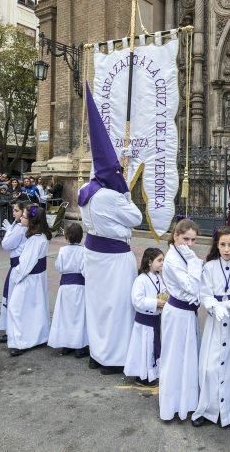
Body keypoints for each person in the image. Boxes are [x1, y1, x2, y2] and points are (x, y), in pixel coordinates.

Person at [78, 85, 143, 374]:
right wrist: (126, 192)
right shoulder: (112, 196)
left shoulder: (84, 191)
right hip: (115, 257)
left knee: (97, 304)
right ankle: (113, 358)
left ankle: (97, 352)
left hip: (93, 253)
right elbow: (136, 218)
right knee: (116, 308)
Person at [192, 226, 230, 428]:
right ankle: (207, 409)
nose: (227, 249)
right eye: (223, 244)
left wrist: (228, 306)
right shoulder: (209, 267)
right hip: (215, 324)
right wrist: (213, 306)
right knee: (210, 366)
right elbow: (204, 293)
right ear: (217, 245)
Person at [159, 218, 203, 422]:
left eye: (193, 240)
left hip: (188, 314)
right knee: (174, 358)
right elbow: (192, 286)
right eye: (186, 239)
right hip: (176, 314)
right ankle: (170, 406)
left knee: (188, 358)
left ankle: (186, 403)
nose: (190, 244)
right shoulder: (172, 259)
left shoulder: (185, 253)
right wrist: (195, 263)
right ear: (176, 236)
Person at [6, 205, 51, 356]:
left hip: (29, 278)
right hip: (35, 278)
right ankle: (38, 336)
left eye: (24, 216)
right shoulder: (39, 237)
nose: (22, 218)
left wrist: (15, 276)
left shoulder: (35, 240)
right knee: (35, 307)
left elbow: (25, 264)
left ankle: (22, 341)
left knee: (17, 308)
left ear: (32, 221)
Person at [124, 247, 166, 386]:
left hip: (155, 318)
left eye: (163, 260)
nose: (162, 263)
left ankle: (152, 373)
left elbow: (162, 292)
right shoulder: (141, 280)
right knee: (144, 349)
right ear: (149, 262)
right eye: (159, 260)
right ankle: (142, 376)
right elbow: (137, 300)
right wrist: (155, 303)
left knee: (153, 348)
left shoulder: (159, 277)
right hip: (144, 322)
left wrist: (165, 300)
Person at [48, 222, 88, 357]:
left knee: (66, 316)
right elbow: (85, 270)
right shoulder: (84, 251)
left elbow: (59, 267)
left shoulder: (62, 250)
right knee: (78, 316)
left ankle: (66, 344)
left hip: (65, 287)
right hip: (79, 287)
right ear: (81, 237)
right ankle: (79, 346)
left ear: (66, 237)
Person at [0, 201, 29, 344]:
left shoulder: (21, 228)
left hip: (17, 267)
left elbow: (6, 244)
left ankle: (12, 331)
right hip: (15, 265)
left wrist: (9, 231)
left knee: (12, 299)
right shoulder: (19, 227)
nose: (14, 213)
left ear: (23, 212)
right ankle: (11, 329)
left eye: (16, 210)